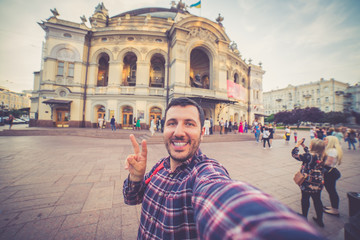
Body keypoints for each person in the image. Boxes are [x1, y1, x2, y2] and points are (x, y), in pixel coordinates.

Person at [123, 97, 324, 240]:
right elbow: (131, 198)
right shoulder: (160, 166)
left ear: (202, 132)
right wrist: (136, 177)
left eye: (189, 124)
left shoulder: (205, 172)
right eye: (172, 123)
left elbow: (222, 198)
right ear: (163, 128)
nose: (178, 132)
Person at [292, 138, 326, 227]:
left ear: (313, 146)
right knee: (317, 200)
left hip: (308, 181)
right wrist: (303, 146)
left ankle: (304, 218)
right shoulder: (322, 154)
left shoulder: (309, 156)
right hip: (318, 180)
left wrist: (297, 144)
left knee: (305, 198)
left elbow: (294, 155)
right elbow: (310, 154)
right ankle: (320, 220)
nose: (309, 145)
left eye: (311, 144)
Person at [323, 136, 343, 216]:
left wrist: (318, 162)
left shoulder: (331, 151)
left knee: (332, 191)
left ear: (330, 141)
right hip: (331, 172)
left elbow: (328, 163)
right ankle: (333, 207)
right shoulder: (332, 150)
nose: (324, 140)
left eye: (326, 139)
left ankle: (335, 210)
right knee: (331, 190)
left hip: (330, 172)